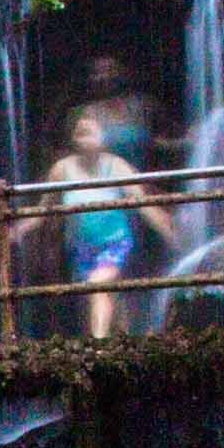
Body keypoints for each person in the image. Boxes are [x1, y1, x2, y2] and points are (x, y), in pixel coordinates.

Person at [44, 102, 154, 340]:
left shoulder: (116, 165)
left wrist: (169, 230)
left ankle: (99, 346)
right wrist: (21, 227)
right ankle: (125, 341)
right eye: (80, 133)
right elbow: (44, 209)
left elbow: (143, 203)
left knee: (98, 286)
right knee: (101, 299)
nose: (85, 139)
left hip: (115, 243)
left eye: (90, 132)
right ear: (72, 139)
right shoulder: (61, 170)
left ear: (103, 137)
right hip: (81, 247)